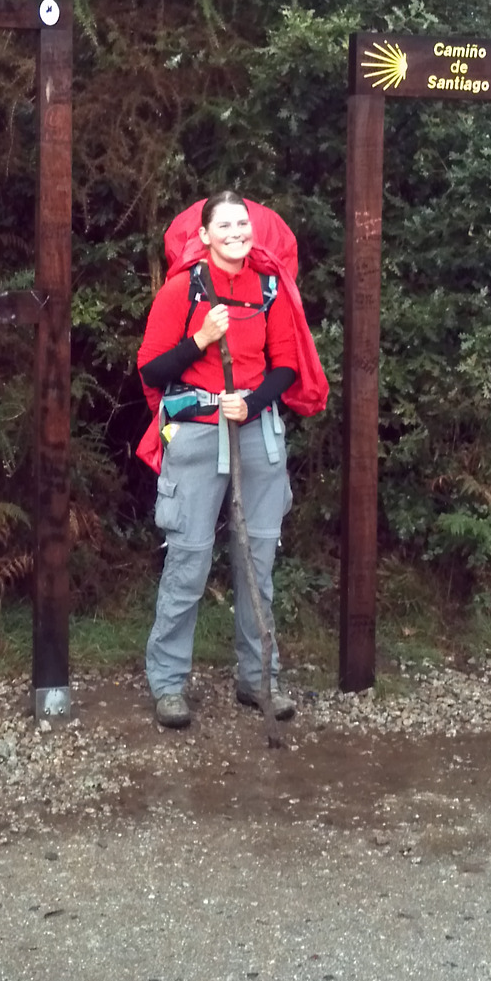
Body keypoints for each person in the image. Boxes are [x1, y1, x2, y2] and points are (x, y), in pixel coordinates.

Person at [137, 191, 306, 730]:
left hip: (257, 433)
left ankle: (259, 680)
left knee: (257, 563)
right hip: (195, 435)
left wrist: (252, 404)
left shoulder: (269, 289)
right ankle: (168, 685)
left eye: (242, 224)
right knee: (188, 560)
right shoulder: (182, 290)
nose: (236, 233)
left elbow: (287, 367)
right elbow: (151, 370)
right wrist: (201, 339)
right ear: (205, 235)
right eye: (225, 226)